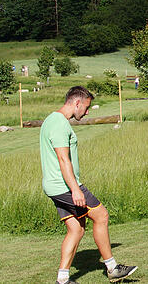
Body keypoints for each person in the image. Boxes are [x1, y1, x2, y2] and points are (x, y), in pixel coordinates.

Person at [40, 86, 137, 284]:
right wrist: (75, 189)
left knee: (76, 229)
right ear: (76, 102)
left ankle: (63, 279)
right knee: (101, 215)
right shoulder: (59, 124)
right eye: (86, 107)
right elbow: (63, 159)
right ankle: (112, 268)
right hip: (65, 186)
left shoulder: (51, 119)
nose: (87, 112)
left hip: (53, 187)